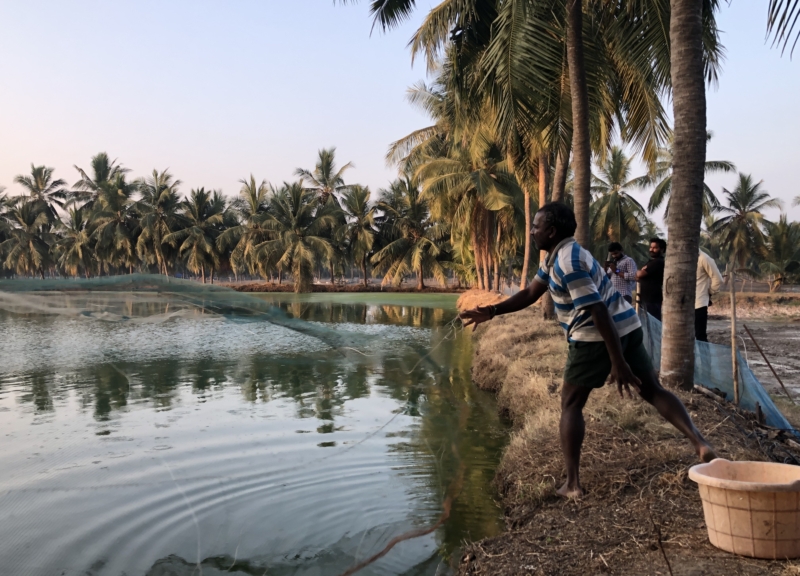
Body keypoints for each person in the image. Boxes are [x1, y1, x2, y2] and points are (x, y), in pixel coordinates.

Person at [460, 202, 716, 498]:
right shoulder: (559, 255)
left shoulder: (568, 262)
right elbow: (531, 293)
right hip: (629, 327)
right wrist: (492, 311)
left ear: (551, 231)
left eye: (536, 226)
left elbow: (596, 309)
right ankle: (700, 443)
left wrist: (617, 361)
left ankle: (572, 485)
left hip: (596, 337)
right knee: (652, 390)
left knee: (570, 404)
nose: (531, 231)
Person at [695, 249, 723, 342]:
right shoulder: (680, 258)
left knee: (700, 336)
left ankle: (704, 357)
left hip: (698, 304)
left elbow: (718, 279)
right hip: (682, 305)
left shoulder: (704, 258)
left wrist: (710, 292)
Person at [636, 238, 667, 321]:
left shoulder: (658, 262)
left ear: (662, 249)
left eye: (655, 248)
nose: (651, 249)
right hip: (645, 299)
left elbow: (639, 274)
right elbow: (637, 276)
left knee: (653, 322)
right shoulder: (651, 262)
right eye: (651, 247)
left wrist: (641, 272)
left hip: (652, 300)